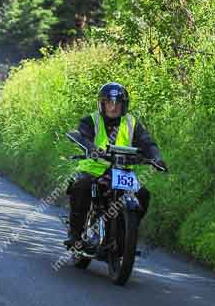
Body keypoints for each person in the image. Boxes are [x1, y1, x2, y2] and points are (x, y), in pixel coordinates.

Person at [66, 82, 167, 247]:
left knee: (143, 195)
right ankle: (75, 233)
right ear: (102, 104)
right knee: (81, 186)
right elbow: (82, 135)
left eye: (117, 103)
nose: (113, 107)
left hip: (122, 171)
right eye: (109, 103)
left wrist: (155, 157)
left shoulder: (132, 123)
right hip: (94, 168)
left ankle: (127, 234)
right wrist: (91, 148)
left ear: (124, 105)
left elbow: (147, 142)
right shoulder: (92, 120)